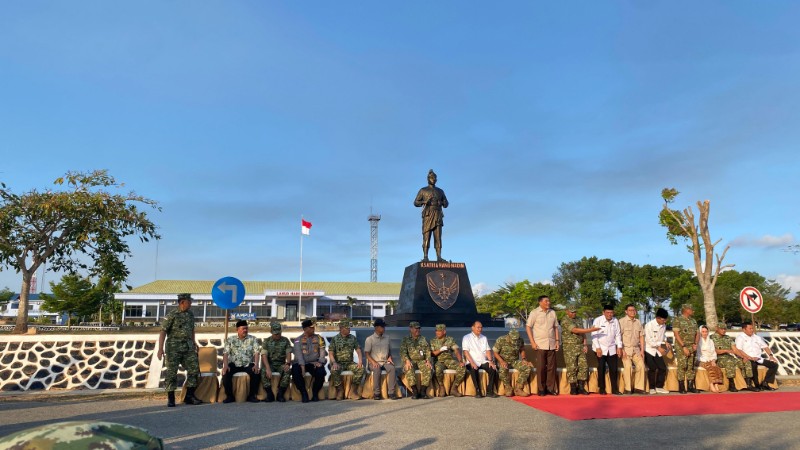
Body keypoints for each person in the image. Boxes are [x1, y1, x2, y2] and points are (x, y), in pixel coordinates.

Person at [156, 293, 201, 407]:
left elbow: (192, 330)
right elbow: (163, 331)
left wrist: (194, 342)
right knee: (171, 373)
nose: (191, 304)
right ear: (182, 302)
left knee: (194, 370)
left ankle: (189, 396)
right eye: (189, 301)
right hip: (173, 348)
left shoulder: (190, 314)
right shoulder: (172, 315)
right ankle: (171, 399)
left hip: (188, 347)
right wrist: (160, 349)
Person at [560, 303, 600, 395]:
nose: (573, 314)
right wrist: (591, 330)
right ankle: (573, 387)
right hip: (570, 347)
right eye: (571, 312)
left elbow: (582, 333)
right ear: (567, 311)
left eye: (575, 312)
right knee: (572, 367)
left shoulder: (579, 319)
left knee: (584, 366)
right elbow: (575, 330)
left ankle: (581, 387)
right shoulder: (565, 320)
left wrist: (585, 344)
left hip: (580, 346)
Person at [525, 295, 560, 396]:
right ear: (540, 302)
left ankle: (550, 388)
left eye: (549, 301)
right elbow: (528, 327)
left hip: (551, 344)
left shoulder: (552, 312)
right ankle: (541, 389)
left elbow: (556, 327)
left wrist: (557, 341)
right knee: (541, 368)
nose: (548, 303)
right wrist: (532, 342)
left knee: (552, 367)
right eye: (546, 301)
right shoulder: (534, 312)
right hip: (539, 344)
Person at [221, 320, 261, 403]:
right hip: (234, 364)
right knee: (225, 373)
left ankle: (252, 396)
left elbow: (257, 353)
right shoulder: (230, 339)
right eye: (243, 329)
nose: (245, 330)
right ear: (237, 330)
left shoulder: (252, 339)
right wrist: (225, 365)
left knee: (256, 372)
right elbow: (225, 353)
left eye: (246, 328)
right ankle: (229, 396)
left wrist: (256, 365)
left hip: (247, 364)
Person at [414, 169, 449, 261]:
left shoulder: (440, 191)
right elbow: (416, 202)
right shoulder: (423, 190)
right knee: (426, 236)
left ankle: (439, 257)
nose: (433, 179)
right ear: (428, 179)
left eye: (435, 178)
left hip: (438, 215)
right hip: (428, 215)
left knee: (438, 237)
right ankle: (425, 256)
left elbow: (446, 204)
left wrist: (442, 202)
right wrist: (424, 201)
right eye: (432, 178)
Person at [735, 321, 780, 391]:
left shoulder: (757, 337)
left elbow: (765, 347)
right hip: (747, 358)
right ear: (744, 329)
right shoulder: (740, 338)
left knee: (774, 365)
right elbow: (739, 350)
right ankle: (757, 385)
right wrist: (750, 357)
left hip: (758, 358)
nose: (752, 330)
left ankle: (765, 382)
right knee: (753, 365)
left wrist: (771, 356)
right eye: (750, 329)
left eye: (752, 328)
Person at [292, 319, 328, 403]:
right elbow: (299, 355)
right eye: (311, 328)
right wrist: (302, 366)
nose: (313, 329)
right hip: (300, 363)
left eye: (313, 327)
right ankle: (304, 393)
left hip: (313, 363)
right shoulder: (298, 340)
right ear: (305, 329)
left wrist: (320, 362)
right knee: (295, 371)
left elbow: (322, 352)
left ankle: (315, 392)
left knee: (321, 372)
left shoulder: (319, 338)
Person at [329, 319, 365, 400]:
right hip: (338, 363)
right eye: (347, 328)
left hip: (349, 363)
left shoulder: (352, 338)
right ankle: (340, 390)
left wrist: (360, 361)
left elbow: (358, 349)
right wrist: (334, 362)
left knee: (361, 369)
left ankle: (353, 390)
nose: (349, 329)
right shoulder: (335, 339)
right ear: (341, 328)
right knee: (334, 370)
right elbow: (331, 353)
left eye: (349, 328)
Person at [591, 304, 623, 395]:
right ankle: (602, 388)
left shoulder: (615, 321)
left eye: (611, 313)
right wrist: (598, 347)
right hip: (600, 348)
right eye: (607, 312)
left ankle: (614, 389)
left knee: (614, 369)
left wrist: (619, 347)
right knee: (601, 368)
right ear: (603, 312)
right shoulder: (598, 320)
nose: (609, 314)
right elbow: (594, 335)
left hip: (612, 348)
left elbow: (618, 335)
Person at [711, 322, 751, 392]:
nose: (723, 330)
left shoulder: (728, 337)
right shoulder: (712, 338)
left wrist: (743, 357)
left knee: (747, 362)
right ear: (717, 329)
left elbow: (735, 349)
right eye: (721, 329)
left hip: (730, 357)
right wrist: (726, 350)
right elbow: (714, 350)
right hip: (719, 358)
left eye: (725, 329)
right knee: (729, 362)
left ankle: (747, 384)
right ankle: (731, 384)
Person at [462, 321, 498, 398]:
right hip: (472, 361)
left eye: (481, 327)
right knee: (473, 369)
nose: (480, 329)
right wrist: (472, 362)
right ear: (473, 328)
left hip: (482, 361)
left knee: (493, 368)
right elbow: (466, 352)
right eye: (478, 327)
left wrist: (491, 361)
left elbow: (487, 350)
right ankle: (478, 391)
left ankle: (490, 390)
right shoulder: (466, 337)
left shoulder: (484, 338)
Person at [364, 318, 398, 400]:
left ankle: (391, 392)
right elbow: (367, 354)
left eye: (384, 327)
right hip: (374, 362)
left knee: (392, 368)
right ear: (376, 327)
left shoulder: (387, 338)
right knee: (377, 369)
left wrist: (389, 358)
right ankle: (377, 393)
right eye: (382, 327)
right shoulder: (369, 339)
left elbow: (389, 351)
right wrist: (373, 362)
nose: (384, 328)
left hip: (385, 361)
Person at [493, 328, 532, 397]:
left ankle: (518, 388)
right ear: (509, 336)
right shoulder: (501, 340)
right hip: (503, 361)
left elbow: (522, 349)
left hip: (514, 361)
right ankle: (508, 387)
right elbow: (495, 352)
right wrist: (501, 361)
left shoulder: (520, 340)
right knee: (503, 369)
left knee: (527, 367)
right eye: (513, 339)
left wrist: (523, 359)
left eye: (516, 339)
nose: (515, 341)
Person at [429, 324, 465, 397]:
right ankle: (441, 386)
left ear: (444, 331)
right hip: (439, 361)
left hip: (449, 360)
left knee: (462, 367)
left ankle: (454, 388)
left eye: (439, 331)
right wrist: (440, 350)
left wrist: (460, 361)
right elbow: (432, 354)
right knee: (438, 369)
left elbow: (456, 350)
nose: (437, 332)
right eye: (436, 331)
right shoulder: (433, 341)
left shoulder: (450, 339)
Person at [260, 322, 292, 402]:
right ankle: (269, 394)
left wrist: (288, 363)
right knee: (263, 371)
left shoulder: (285, 340)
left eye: (279, 333)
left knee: (287, 370)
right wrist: (267, 368)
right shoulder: (266, 341)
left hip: (281, 364)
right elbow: (264, 355)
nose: (277, 335)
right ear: (271, 332)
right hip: (270, 364)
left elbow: (288, 353)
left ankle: (280, 393)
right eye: (275, 334)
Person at [400, 321, 433, 399]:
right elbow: (403, 352)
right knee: (409, 369)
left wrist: (428, 360)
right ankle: (414, 391)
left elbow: (428, 351)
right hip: (410, 360)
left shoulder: (423, 339)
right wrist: (407, 361)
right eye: (416, 328)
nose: (418, 330)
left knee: (428, 368)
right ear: (411, 329)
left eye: (419, 328)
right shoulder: (405, 339)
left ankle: (423, 391)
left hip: (421, 361)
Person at [672, 304, 700, 393]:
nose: (693, 311)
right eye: (691, 309)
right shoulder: (678, 320)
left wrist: (695, 344)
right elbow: (676, 334)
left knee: (690, 366)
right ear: (686, 310)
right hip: (681, 346)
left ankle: (690, 386)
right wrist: (683, 347)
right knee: (682, 366)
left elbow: (697, 333)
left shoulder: (693, 321)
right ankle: (681, 387)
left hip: (692, 346)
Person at [619, 303, 646, 395]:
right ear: (626, 312)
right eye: (630, 310)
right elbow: (618, 337)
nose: (632, 312)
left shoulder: (638, 322)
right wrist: (622, 350)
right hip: (626, 349)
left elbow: (641, 336)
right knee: (628, 367)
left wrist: (642, 350)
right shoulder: (621, 321)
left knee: (641, 366)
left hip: (636, 349)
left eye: (634, 310)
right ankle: (628, 388)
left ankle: (639, 388)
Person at [644, 308, 671, 394]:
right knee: (652, 368)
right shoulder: (649, 325)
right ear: (658, 318)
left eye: (665, 320)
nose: (664, 321)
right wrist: (658, 347)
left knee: (662, 368)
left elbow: (663, 335)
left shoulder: (664, 325)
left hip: (657, 350)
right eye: (663, 320)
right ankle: (651, 388)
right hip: (648, 349)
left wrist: (666, 341)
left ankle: (659, 387)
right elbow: (649, 339)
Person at [697, 325, 723, 393]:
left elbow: (713, 352)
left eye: (706, 332)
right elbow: (698, 353)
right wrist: (706, 360)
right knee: (710, 368)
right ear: (700, 332)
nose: (705, 333)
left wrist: (713, 360)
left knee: (716, 367)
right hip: (701, 359)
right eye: (703, 332)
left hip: (710, 359)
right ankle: (711, 384)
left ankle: (716, 384)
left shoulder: (711, 341)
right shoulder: (698, 341)